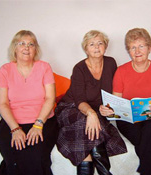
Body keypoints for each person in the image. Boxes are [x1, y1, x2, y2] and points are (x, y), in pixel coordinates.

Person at [55, 30, 127, 175]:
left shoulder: (111, 63)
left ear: (105, 47)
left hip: (95, 110)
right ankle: (105, 172)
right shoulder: (79, 68)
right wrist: (91, 114)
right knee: (85, 122)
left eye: (100, 43)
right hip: (70, 107)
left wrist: (109, 108)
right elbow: (79, 100)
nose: (96, 47)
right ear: (86, 48)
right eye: (92, 44)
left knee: (87, 131)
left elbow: (115, 92)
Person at [100, 28, 151, 175]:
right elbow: (116, 101)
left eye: (141, 46)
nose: (137, 51)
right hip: (129, 121)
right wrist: (108, 109)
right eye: (132, 47)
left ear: (149, 48)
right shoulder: (121, 71)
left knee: (150, 128)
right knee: (146, 138)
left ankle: (147, 171)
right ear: (129, 51)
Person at [0, 30, 58, 175]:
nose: (26, 47)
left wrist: (38, 124)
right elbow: (2, 103)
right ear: (14, 48)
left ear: (35, 49)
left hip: (43, 121)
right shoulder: (5, 70)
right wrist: (15, 129)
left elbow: (50, 99)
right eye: (22, 43)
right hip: (12, 122)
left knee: (37, 157)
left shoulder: (44, 67)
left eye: (31, 44)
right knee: (13, 158)